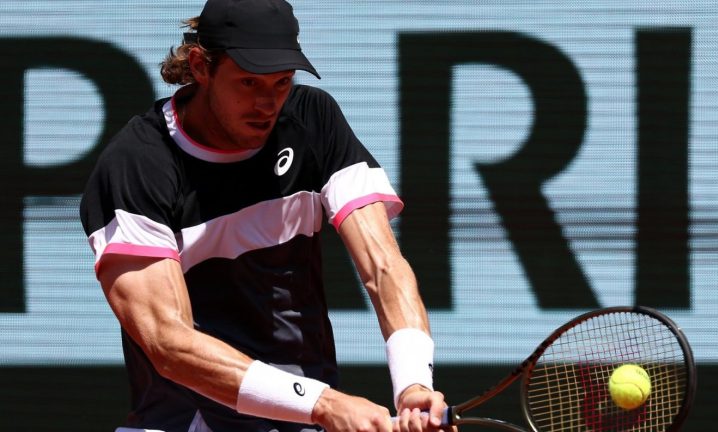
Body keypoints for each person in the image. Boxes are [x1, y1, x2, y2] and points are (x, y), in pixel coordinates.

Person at [79, 0, 449, 431]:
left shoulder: (313, 121)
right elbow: (169, 344)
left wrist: (413, 384)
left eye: (282, 82)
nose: (267, 103)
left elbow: (384, 266)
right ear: (200, 66)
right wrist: (325, 404)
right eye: (249, 82)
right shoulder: (138, 164)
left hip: (304, 417)